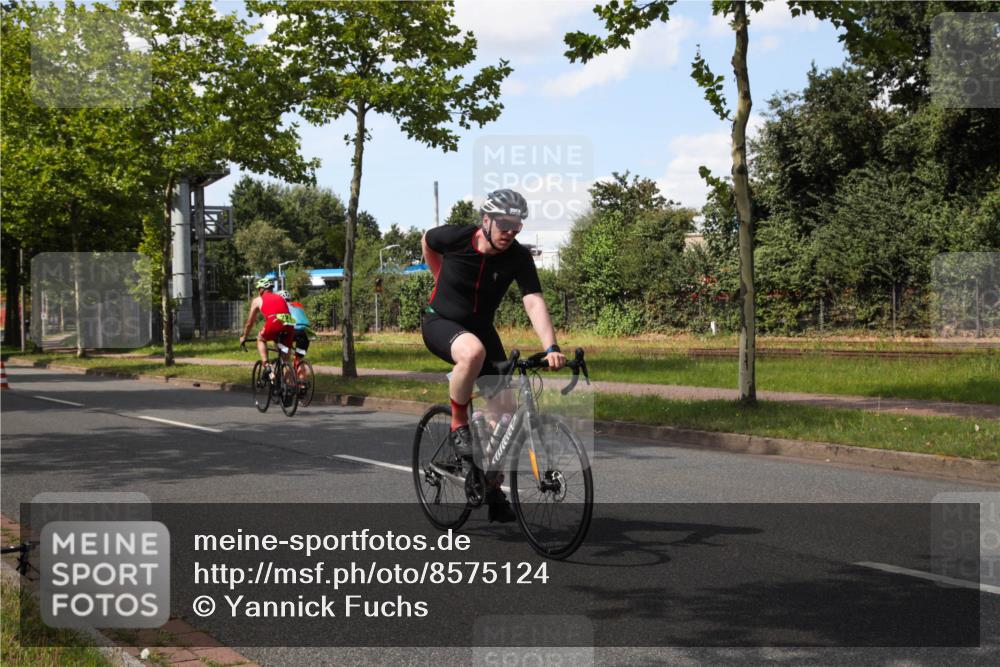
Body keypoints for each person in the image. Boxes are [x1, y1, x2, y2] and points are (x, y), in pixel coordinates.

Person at [421, 188, 566, 522]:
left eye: (517, 225)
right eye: (505, 224)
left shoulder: (518, 256)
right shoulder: (457, 237)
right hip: (441, 322)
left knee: (506, 409)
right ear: (486, 220)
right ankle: (458, 422)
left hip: (482, 328)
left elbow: (533, 300)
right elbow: (427, 239)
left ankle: (488, 483)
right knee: (472, 351)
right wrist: (438, 275)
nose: (511, 232)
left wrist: (551, 347)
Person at [239, 278, 295, 380]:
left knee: (260, 338)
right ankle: (289, 388)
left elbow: (249, 323)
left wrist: (244, 336)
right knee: (286, 361)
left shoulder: (257, 300)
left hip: (274, 320)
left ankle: (267, 366)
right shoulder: (280, 297)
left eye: (258, 289)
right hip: (289, 322)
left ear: (261, 289)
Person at [278, 289, 313, 382]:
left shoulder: (281, 306)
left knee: (285, 357)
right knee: (299, 358)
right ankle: (302, 384)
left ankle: (289, 384)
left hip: (292, 331)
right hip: (305, 333)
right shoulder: (298, 305)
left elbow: (280, 323)